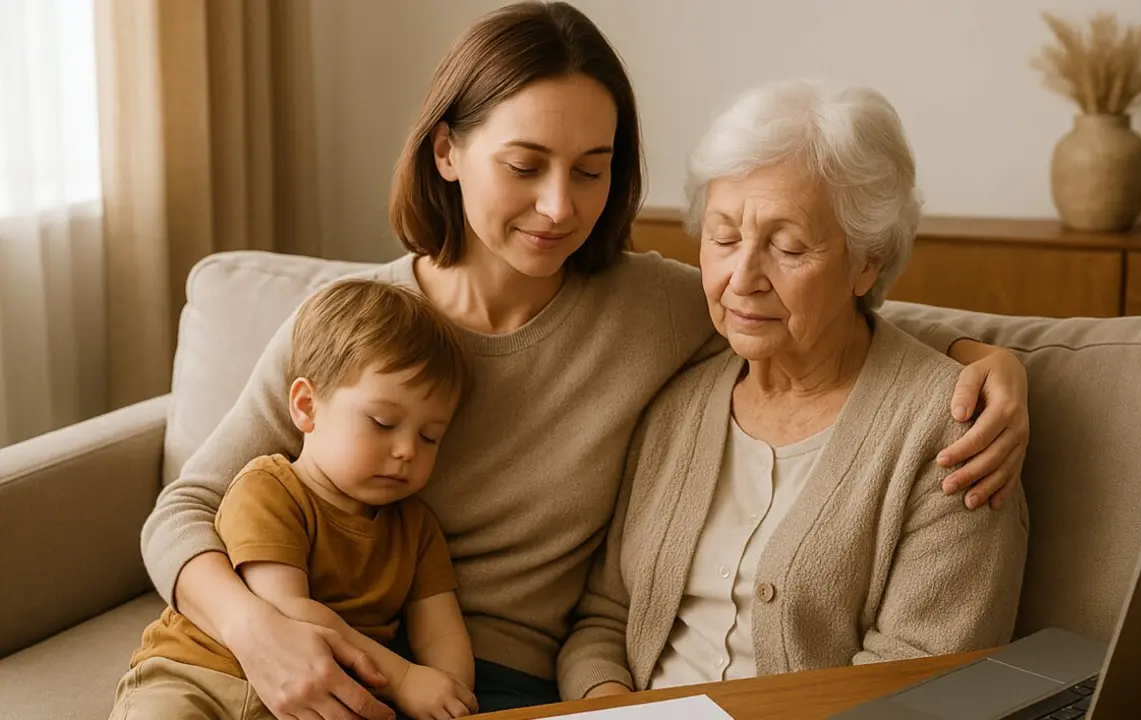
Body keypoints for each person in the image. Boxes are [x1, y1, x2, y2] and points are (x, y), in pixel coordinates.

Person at [138, 3, 1030, 717]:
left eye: (592, 170)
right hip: (322, 646)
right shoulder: (353, 324)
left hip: (500, 680)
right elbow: (186, 506)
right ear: (447, 151)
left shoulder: (655, 307)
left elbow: (824, 309)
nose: (560, 207)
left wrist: (985, 358)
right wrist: (257, 630)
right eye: (525, 165)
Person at [557, 81, 1031, 701]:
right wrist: (606, 706)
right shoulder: (675, 406)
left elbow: (923, 681)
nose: (743, 278)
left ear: (868, 260)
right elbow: (604, 618)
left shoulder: (953, 429)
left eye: (787, 247)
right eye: (723, 238)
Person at [112, 280, 477, 719]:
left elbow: (442, 635)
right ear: (307, 406)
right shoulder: (270, 488)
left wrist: (449, 693)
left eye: (429, 436)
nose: (407, 451)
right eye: (383, 422)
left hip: (325, 695)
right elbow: (287, 611)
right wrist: (402, 679)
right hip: (198, 675)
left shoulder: (416, 529)